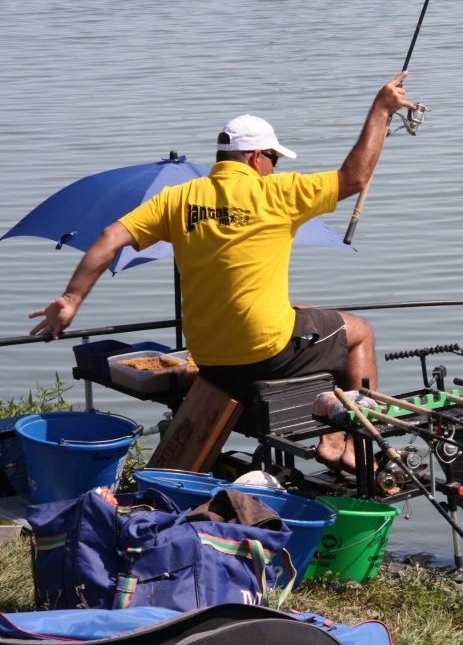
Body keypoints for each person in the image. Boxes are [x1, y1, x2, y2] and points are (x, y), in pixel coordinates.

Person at [28, 72, 415, 472]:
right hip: (266, 352)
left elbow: (111, 236)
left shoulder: (178, 198)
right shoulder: (277, 194)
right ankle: (345, 444)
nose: (275, 168)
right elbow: (354, 177)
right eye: (274, 159)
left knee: (312, 314)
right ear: (254, 158)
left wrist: (71, 299)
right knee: (358, 332)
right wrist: (380, 110)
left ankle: (332, 432)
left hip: (209, 360)